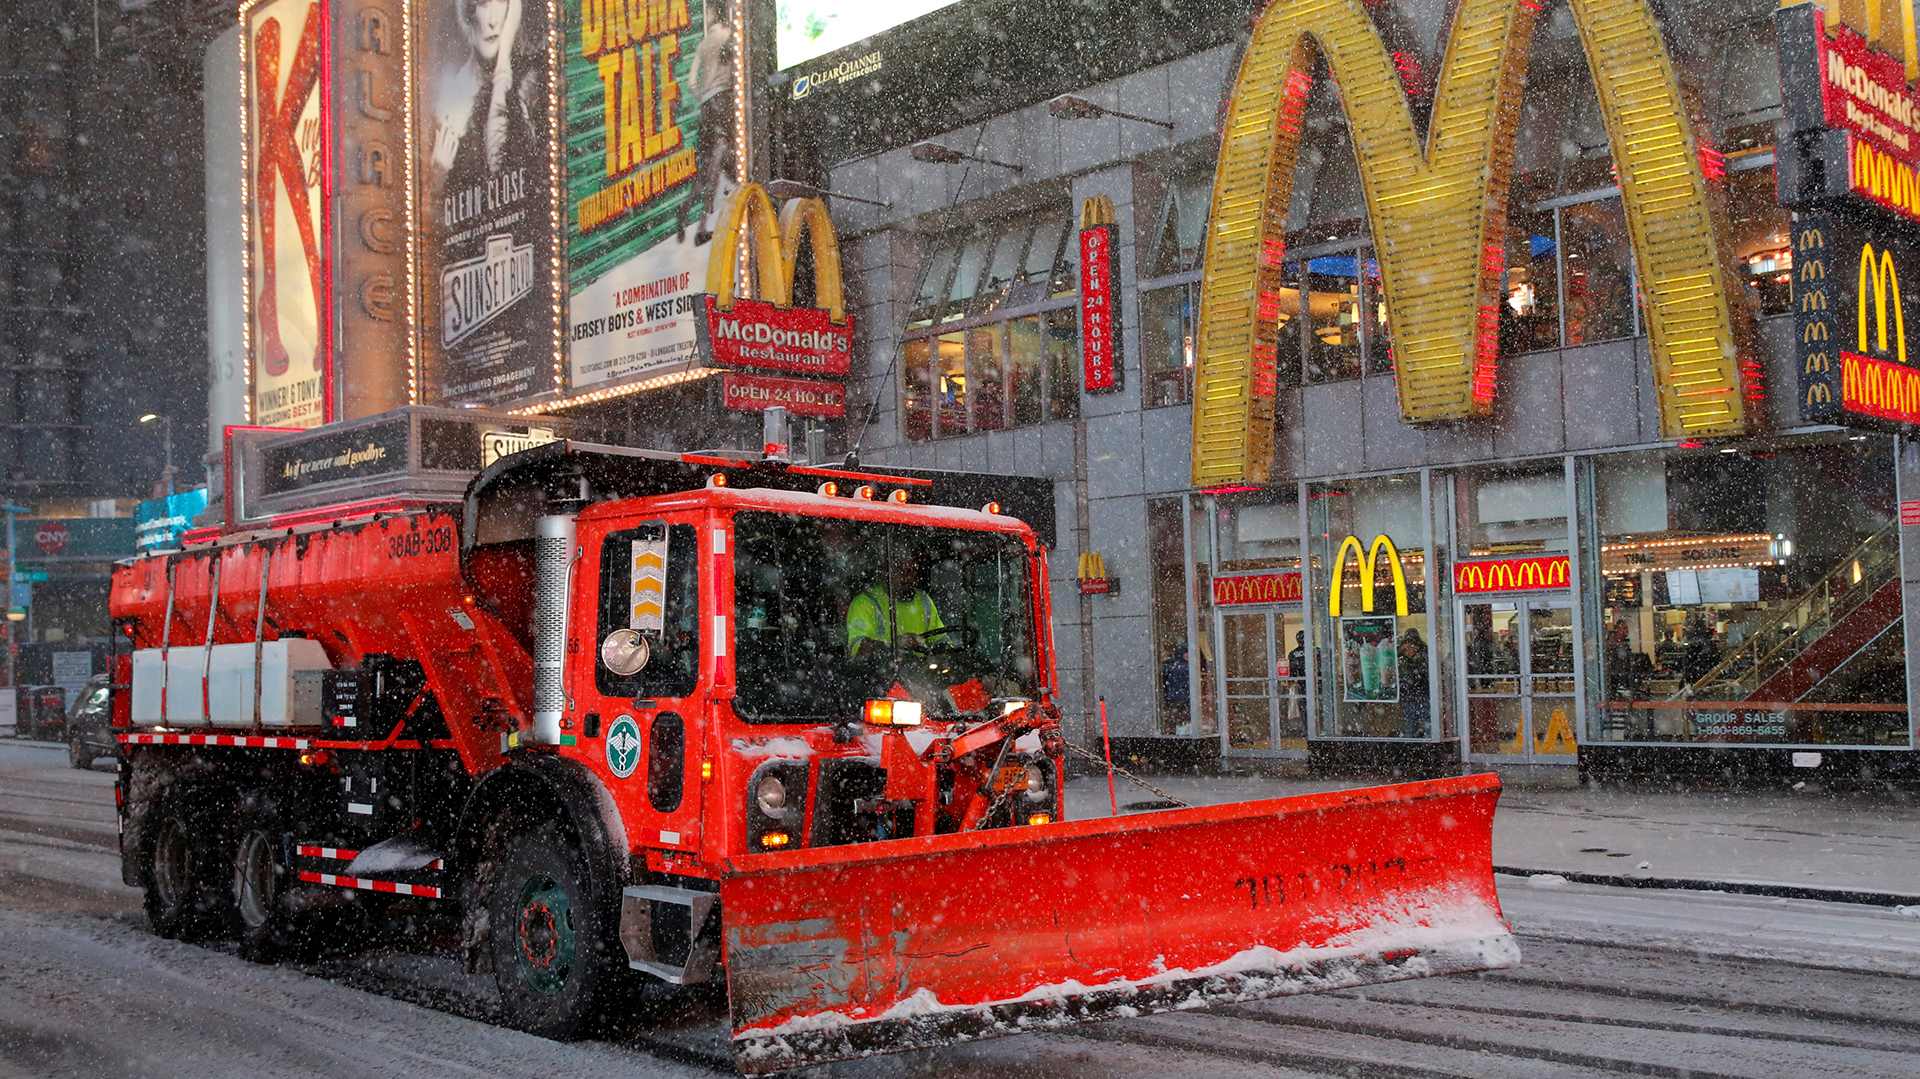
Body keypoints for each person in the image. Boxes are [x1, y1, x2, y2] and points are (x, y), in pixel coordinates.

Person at [846, 558, 945, 657]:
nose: (908, 577)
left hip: (922, 670)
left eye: (912, 571)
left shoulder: (923, 600)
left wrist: (943, 648)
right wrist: (894, 645)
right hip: (884, 671)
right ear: (886, 573)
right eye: (901, 571)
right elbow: (858, 649)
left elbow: (941, 639)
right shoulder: (865, 603)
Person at [1398, 629, 1429, 738]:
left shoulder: (1424, 658)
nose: (1406, 652)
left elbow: (1415, 679)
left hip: (1421, 700)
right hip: (1413, 701)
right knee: (1412, 730)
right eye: (1404, 650)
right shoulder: (1408, 660)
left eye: (1407, 649)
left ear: (1415, 646)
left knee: (1423, 730)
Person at [1160, 643, 1191, 734]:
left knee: (1177, 716)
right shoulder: (1177, 665)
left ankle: (1178, 730)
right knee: (1176, 716)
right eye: (1186, 652)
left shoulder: (1172, 663)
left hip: (1181, 696)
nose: (1188, 654)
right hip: (1176, 697)